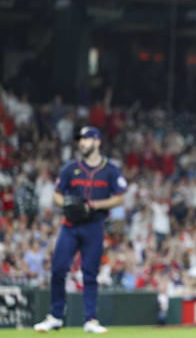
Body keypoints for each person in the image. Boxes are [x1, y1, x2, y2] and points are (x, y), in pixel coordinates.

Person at [34, 126, 127, 333]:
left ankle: (90, 319)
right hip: (71, 225)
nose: (82, 143)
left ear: (97, 141)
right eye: (80, 140)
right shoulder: (70, 168)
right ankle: (56, 317)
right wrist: (67, 203)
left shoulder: (110, 169)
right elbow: (57, 194)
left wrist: (94, 205)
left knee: (90, 274)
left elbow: (120, 197)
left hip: (94, 225)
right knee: (58, 269)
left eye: (86, 139)